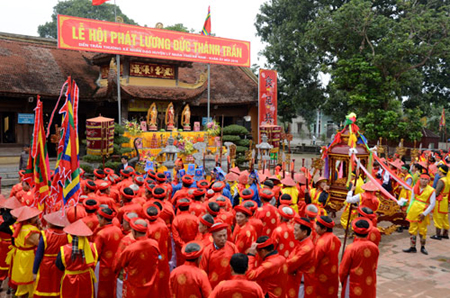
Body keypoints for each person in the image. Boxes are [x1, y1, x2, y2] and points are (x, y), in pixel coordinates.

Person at [115, 218, 161, 297]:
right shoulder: (154, 244)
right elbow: (159, 257)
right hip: (151, 282)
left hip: (135, 285)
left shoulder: (130, 249)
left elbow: (119, 264)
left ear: (134, 232)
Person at [56, 219, 98, 298]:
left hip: (69, 279)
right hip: (86, 278)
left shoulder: (65, 249)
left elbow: (59, 265)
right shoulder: (92, 247)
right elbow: (94, 263)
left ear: (71, 235)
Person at [33, 211, 70, 298]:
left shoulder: (45, 234)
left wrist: (34, 271)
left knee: (44, 286)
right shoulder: (67, 235)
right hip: (60, 265)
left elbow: (39, 255)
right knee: (57, 287)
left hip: (46, 265)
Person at [340, 218, 380, 298]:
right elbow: (374, 266)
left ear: (354, 232)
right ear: (368, 232)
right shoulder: (374, 247)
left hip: (353, 282)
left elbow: (343, 270)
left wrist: (342, 281)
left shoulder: (351, 248)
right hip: (369, 281)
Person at [9, 206, 42, 297]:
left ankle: (19, 293)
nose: (37, 218)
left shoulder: (17, 226)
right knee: (30, 278)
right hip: (29, 256)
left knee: (22, 278)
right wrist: (40, 228)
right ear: (29, 219)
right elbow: (38, 243)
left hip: (19, 254)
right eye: (35, 217)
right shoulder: (31, 230)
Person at [403, 173, 436, 255]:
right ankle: (412, 247)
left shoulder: (431, 190)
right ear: (419, 179)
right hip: (413, 210)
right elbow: (412, 199)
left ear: (428, 181)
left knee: (422, 230)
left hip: (423, 211)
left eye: (425, 179)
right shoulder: (415, 187)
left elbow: (432, 204)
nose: (423, 181)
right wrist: (409, 210)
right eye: (422, 179)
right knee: (412, 229)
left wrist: (424, 213)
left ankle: (422, 247)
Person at [94, 207, 123, 298]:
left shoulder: (101, 234)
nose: (97, 220)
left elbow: (96, 253)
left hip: (103, 266)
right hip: (115, 264)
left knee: (101, 288)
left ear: (103, 219)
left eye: (98, 217)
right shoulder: (118, 229)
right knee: (112, 288)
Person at [199, 223, 238, 289]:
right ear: (213, 237)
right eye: (219, 236)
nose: (223, 238)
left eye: (224, 235)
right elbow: (203, 272)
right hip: (213, 286)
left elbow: (238, 266)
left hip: (230, 284)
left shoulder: (232, 247)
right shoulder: (207, 251)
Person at [286, 217, 316, 298]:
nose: (294, 232)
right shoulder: (302, 243)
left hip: (301, 284)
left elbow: (291, 264)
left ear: (305, 232)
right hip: (297, 280)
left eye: (296, 230)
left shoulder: (306, 248)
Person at [315, 215, 341, 298]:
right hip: (332, 274)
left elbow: (315, 261)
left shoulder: (321, 242)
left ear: (324, 229)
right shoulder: (336, 239)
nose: (315, 228)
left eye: (318, 226)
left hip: (321, 275)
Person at [172, 199, 199, 266]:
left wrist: (184, 245)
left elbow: (176, 238)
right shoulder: (195, 219)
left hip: (181, 249)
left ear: (179, 208)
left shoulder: (176, 220)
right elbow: (199, 233)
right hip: (194, 248)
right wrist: (193, 244)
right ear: (189, 207)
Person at [430, 164, 449, 240]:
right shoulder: (447, 179)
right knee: (444, 217)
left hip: (440, 200)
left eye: (438, 170)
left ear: (441, 171)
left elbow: (437, 192)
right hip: (445, 200)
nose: (437, 171)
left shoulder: (441, 180)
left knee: (438, 217)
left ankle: (438, 235)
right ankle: (445, 233)